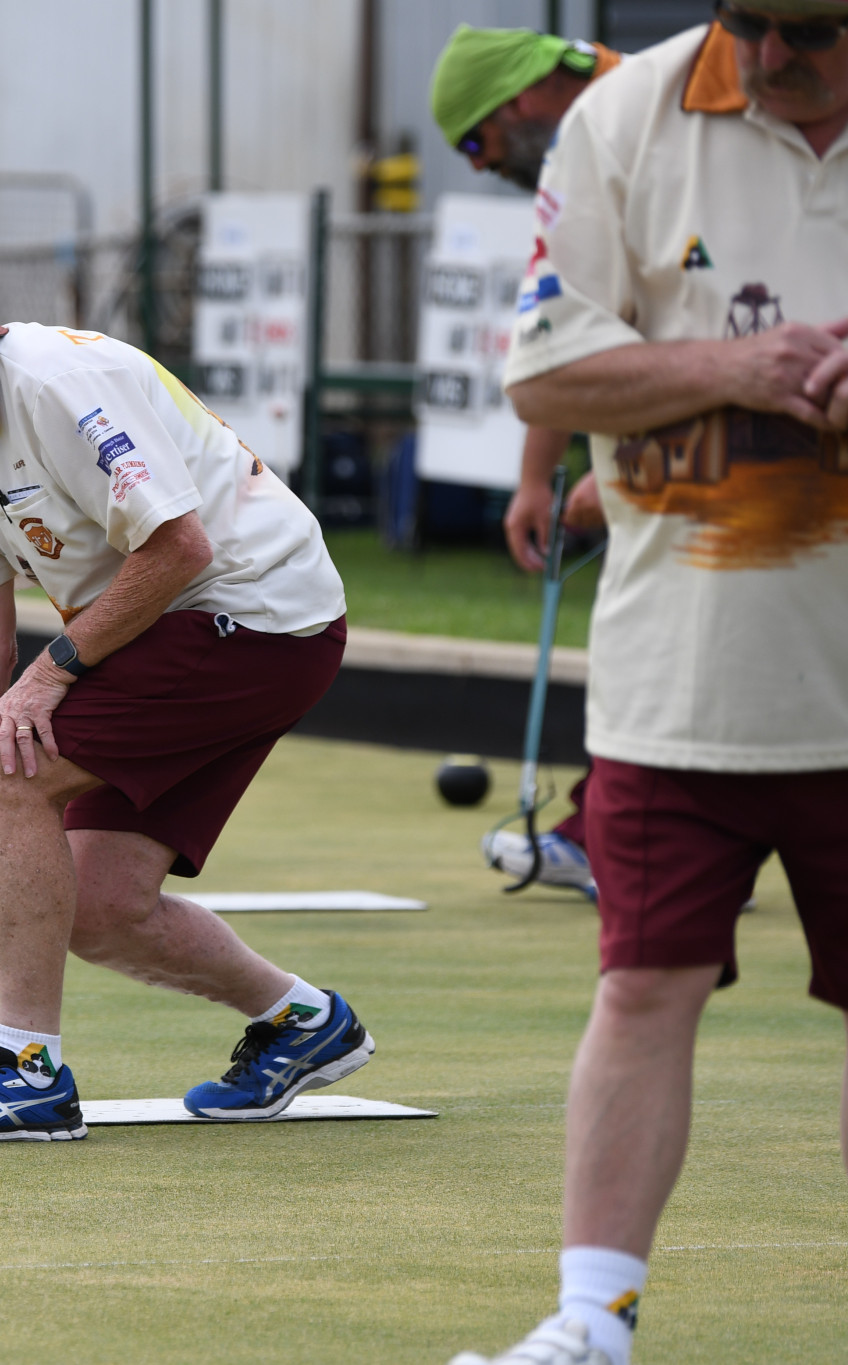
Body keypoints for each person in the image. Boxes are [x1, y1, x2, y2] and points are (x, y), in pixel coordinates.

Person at [449, 5, 848, 1363]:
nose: (775, 59)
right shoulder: (631, 112)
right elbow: (548, 364)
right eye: (755, 23)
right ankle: (589, 1324)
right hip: (684, 674)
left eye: (814, 30)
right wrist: (749, 368)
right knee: (640, 988)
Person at [0, 244, 372, 1142]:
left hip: (256, 612)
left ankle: (28, 1070)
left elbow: (181, 547)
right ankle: (303, 1021)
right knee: (97, 906)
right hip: (181, 626)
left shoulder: (56, 384)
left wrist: (53, 670)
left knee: (12, 769)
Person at [431, 25, 625, 901]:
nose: (476, 164)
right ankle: (615, 837)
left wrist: (640, 454)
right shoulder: (577, 161)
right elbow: (558, 318)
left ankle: (633, 846)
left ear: (520, 99)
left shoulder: (644, 114)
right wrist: (535, 478)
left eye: (476, 140)